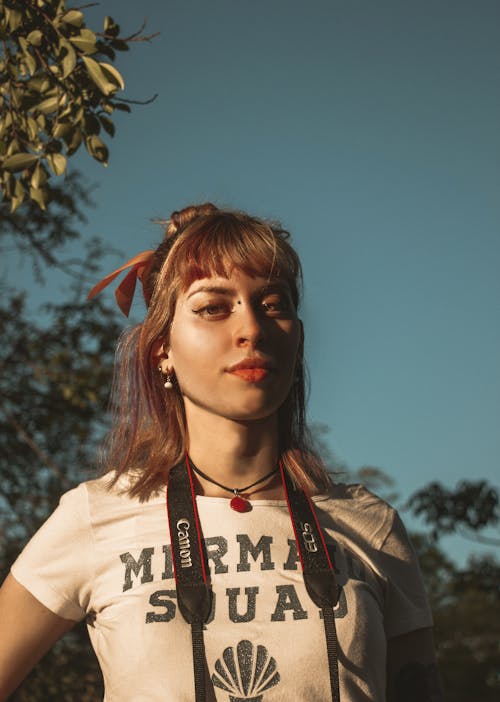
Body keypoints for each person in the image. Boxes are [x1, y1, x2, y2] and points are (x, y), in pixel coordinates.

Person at [0, 204, 442, 702]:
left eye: (273, 304)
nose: (251, 328)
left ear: (296, 339)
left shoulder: (370, 525)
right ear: (161, 350)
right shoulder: (94, 517)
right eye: (213, 307)